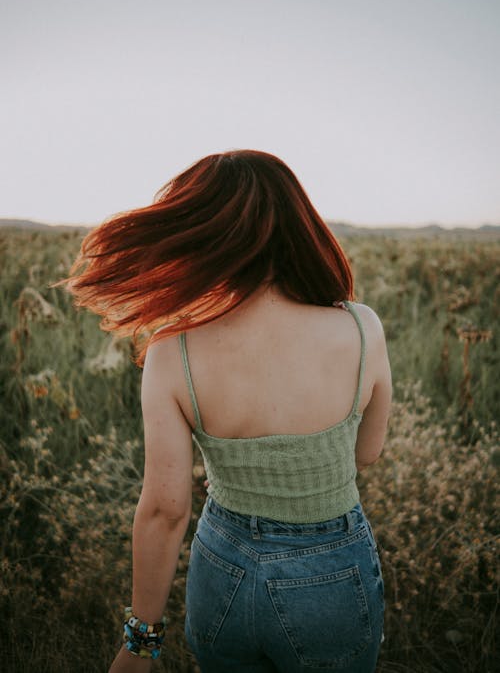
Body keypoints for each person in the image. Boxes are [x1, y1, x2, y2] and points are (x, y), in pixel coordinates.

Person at [61, 150, 391, 673]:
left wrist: (140, 642)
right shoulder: (360, 327)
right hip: (329, 572)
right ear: (300, 225)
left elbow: (165, 511)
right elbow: (367, 453)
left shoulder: (173, 349)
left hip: (222, 571)